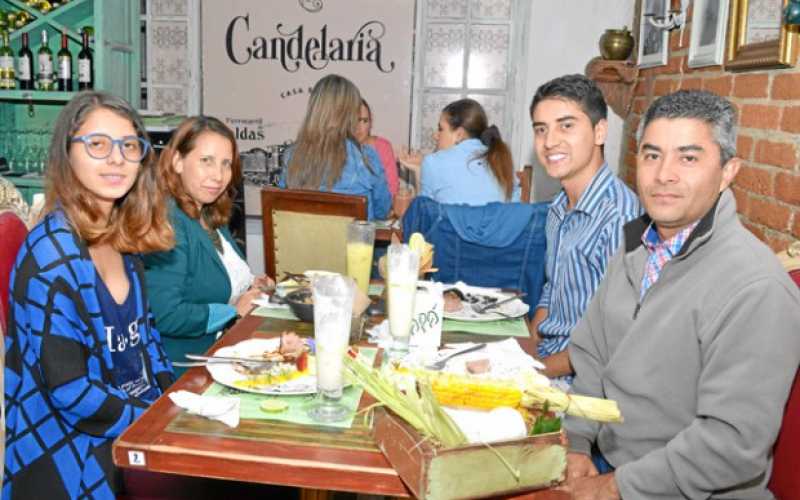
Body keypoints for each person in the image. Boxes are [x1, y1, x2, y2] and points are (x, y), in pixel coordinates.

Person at [562, 90, 800, 499]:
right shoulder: (637, 245)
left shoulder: (756, 287)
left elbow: (730, 445)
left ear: (727, 172)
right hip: (609, 461)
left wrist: (615, 487)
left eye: (688, 158)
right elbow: (592, 358)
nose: (664, 175)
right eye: (652, 155)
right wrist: (578, 443)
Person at [3, 91, 175, 499]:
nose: (116, 158)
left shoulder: (124, 237)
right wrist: (158, 422)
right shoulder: (51, 256)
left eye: (129, 145)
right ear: (67, 154)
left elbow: (147, 342)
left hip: (131, 432)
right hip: (73, 455)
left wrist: (174, 403)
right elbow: (70, 392)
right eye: (97, 144)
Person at [528, 74, 640, 383]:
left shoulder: (619, 217)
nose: (550, 142)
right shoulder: (558, 207)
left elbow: (613, 339)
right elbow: (553, 289)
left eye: (566, 126)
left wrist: (532, 373)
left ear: (599, 131)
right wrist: (528, 349)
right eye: (541, 129)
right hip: (548, 362)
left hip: (583, 384)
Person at [144, 116, 272, 371]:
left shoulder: (209, 214)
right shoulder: (168, 220)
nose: (219, 175)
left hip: (222, 352)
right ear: (177, 161)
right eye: (206, 161)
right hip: (184, 370)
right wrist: (233, 311)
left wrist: (252, 285)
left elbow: (215, 279)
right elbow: (166, 314)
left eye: (226, 164)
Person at [282, 74, 391, 221]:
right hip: (351, 237)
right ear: (349, 113)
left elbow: (281, 208)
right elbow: (382, 211)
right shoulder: (367, 159)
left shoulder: (291, 156)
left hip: (300, 236)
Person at [398, 98, 518, 205]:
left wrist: (421, 170)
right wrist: (421, 169)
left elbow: (423, 215)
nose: (435, 135)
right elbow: (515, 212)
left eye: (441, 129)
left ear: (459, 134)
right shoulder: (501, 161)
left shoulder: (433, 162)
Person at [355, 98, 399, 197]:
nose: (358, 127)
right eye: (354, 120)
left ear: (370, 123)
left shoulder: (382, 147)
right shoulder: (337, 147)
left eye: (364, 121)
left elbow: (393, 189)